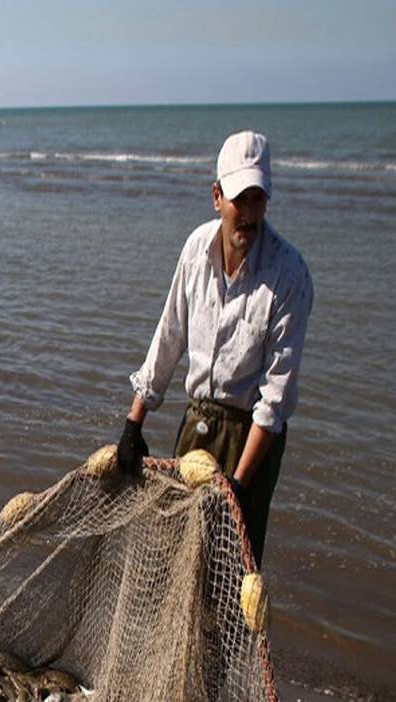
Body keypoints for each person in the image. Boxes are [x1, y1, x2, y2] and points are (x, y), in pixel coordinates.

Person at [117, 131, 313, 568]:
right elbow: (169, 336)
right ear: (217, 197)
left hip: (251, 437)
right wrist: (135, 422)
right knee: (176, 555)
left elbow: (274, 400)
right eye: (239, 200)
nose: (248, 215)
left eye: (257, 200)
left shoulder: (289, 275)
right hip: (199, 423)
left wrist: (239, 486)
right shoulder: (195, 251)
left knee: (229, 568)